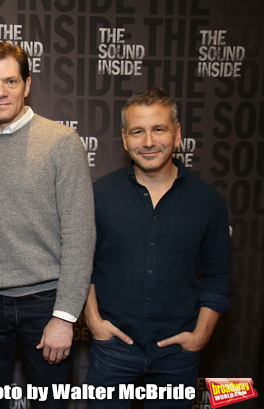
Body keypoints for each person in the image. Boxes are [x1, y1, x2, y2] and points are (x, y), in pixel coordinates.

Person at [0, 42, 95, 409]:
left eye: (10, 81)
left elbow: (81, 235)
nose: (0, 92)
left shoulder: (62, 142)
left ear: (27, 84)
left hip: (45, 304)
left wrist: (65, 316)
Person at [84, 86, 231, 408]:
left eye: (158, 129)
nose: (148, 142)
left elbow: (219, 276)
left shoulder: (208, 202)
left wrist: (200, 336)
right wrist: (94, 321)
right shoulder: (98, 195)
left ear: (177, 134)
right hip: (113, 349)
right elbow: (82, 264)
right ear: (125, 139)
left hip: (177, 355)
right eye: (137, 132)